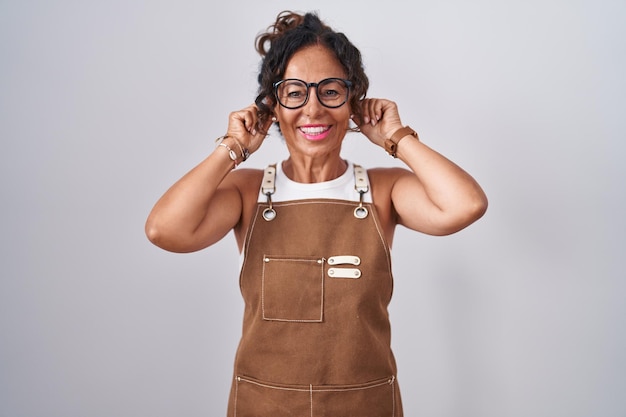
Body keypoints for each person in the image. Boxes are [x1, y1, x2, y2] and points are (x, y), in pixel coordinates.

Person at [145, 10, 487, 417]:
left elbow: (466, 204)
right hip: (265, 407)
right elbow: (163, 229)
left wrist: (396, 137)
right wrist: (231, 149)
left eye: (330, 90)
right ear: (272, 104)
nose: (313, 109)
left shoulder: (383, 191)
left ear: (351, 100)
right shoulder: (248, 192)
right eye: (294, 92)